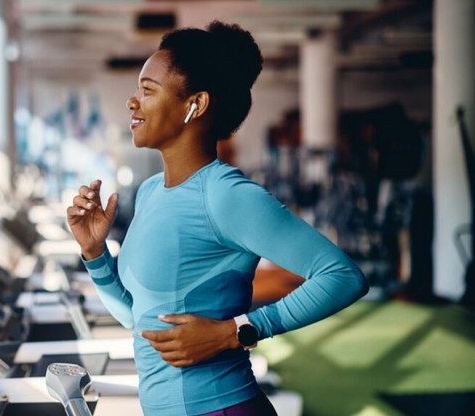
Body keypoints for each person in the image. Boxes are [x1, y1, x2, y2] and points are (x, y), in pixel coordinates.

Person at [66, 20, 368, 416]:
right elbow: (138, 319)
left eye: (147, 90)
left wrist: (237, 331)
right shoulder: (151, 191)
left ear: (195, 104)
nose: (132, 101)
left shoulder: (226, 195)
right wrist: (94, 253)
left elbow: (343, 277)